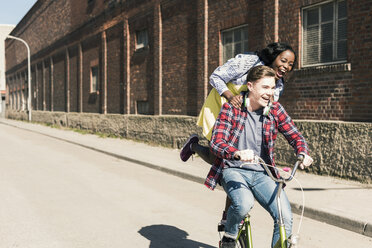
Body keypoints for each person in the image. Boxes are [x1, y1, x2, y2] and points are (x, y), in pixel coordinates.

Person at [204, 65, 313, 248]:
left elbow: (295, 136)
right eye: (265, 87)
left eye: (272, 88)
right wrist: (236, 154)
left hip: (264, 174)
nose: (270, 93)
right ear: (251, 86)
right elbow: (216, 143)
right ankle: (230, 236)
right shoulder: (231, 109)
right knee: (243, 204)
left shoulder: (275, 110)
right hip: (234, 170)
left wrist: (302, 152)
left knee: (284, 216)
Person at [180, 42, 296, 164]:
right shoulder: (249, 62)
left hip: (242, 116)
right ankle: (193, 146)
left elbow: (268, 107)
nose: (286, 66)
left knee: (233, 157)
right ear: (274, 56)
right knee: (215, 157)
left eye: (290, 64)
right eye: (283, 61)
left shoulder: (279, 85)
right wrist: (230, 96)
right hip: (220, 104)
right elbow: (215, 77)